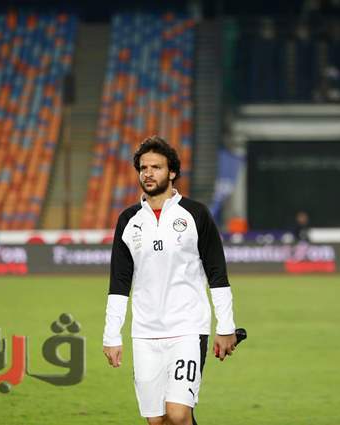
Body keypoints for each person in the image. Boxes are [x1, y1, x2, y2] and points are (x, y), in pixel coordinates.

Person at [102, 136, 238, 425]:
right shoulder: (128, 220)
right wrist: (111, 336)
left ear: (172, 172)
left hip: (187, 329)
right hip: (145, 333)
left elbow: (217, 275)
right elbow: (119, 283)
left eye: (156, 167)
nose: (148, 173)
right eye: (143, 168)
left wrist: (226, 327)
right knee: (157, 421)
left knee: (178, 413)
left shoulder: (196, 214)